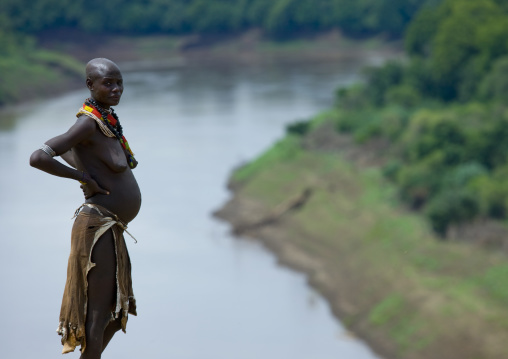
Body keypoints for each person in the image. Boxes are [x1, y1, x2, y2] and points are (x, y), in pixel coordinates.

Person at [29, 58, 141, 358]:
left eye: (119, 83)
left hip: (111, 226)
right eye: (108, 83)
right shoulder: (87, 123)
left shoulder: (105, 121)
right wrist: (81, 177)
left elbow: (73, 153)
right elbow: (39, 157)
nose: (116, 88)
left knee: (116, 315)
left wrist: (82, 169)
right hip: (97, 225)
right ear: (90, 85)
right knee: (98, 315)